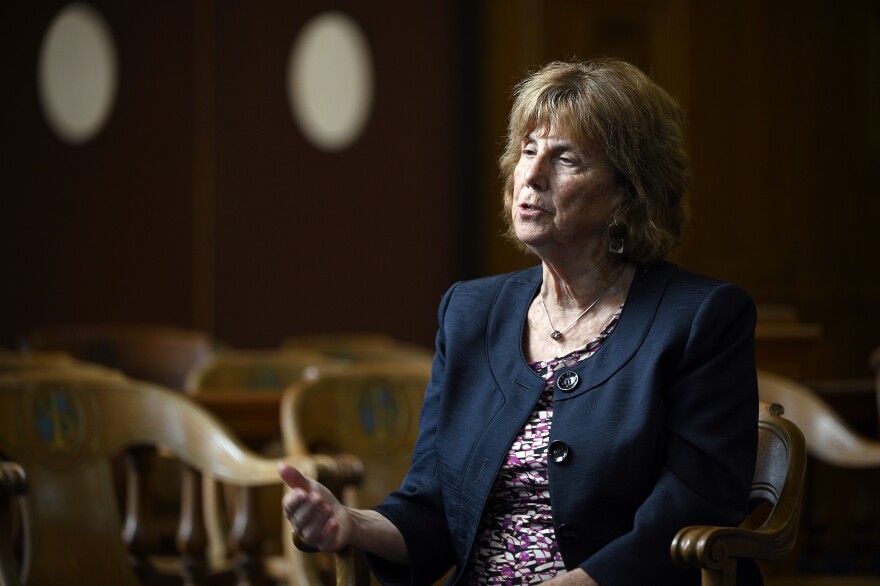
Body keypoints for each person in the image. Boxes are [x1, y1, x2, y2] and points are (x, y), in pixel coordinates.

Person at [279, 58, 760, 585]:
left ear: (628, 192)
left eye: (566, 158)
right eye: (527, 151)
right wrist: (352, 522)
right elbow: (431, 505)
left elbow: (692, 504)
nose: (530, 175)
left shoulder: (700, 318)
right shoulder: (469, 312)